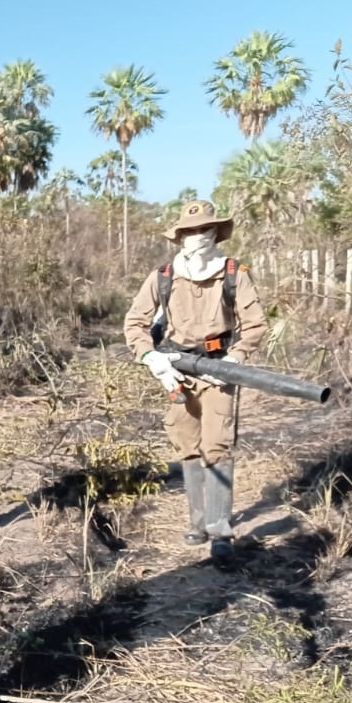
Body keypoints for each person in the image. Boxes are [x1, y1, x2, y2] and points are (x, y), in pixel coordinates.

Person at [123, 199, 266, 561]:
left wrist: (235, 360)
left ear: (216, 232)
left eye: (204, 229)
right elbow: (135, 324)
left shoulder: (234, 273)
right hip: (177, 368)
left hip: (220, 368)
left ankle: (220, 530)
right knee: (187, 443)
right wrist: (150, 357)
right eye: (189, 231)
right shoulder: (163, 277)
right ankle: (197, 522)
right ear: (179, 237)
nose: (197, 236)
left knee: (217, 446)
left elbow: (255, 325)